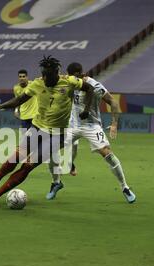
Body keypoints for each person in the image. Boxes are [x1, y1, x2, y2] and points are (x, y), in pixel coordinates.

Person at [0, 55, 94, 206]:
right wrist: (1, 106)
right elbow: (19, 99)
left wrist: (87, 109)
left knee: (27, 166)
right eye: (43, 74)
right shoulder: (38, 83)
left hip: (57, 135)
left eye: (47, 76)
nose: (44, 78)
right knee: (15, 157)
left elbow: (89, 88)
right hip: (37, 127)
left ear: (55, 73)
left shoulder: (70, 81)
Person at [45, 62, 136, 203]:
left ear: (81, 73)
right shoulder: (68, 82)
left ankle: (125, 187)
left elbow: (113, 102)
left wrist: (114, 123)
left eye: (76, 76)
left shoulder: (95, 86)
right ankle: (56, 182)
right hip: (72, 126)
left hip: (92, 126)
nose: (74, 79)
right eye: (71, 77)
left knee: (108, 154)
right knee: (50, 150)